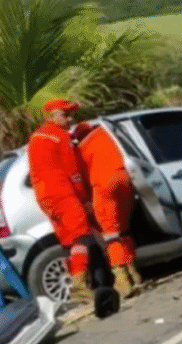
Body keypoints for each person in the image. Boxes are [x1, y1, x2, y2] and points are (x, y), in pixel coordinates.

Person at [27, 99, 94, 304]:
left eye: (70, 114)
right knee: (81, 235)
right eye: (65, 115)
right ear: (51, 117)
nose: (70, 119)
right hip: (62, 193)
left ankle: (77, 285)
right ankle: (80, 286)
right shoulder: (60, 136)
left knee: (68, 240)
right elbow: (72, 171)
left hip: (44, 197)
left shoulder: (36, 137)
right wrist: (83, 199)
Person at [73, 123, 142, 298]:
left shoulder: (82, 147)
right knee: (123, 230)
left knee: (110, 235)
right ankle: (134, 275)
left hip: (104, 185)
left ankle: (123, 282)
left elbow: (81, 177)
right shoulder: (107, 134)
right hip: (124, 179)